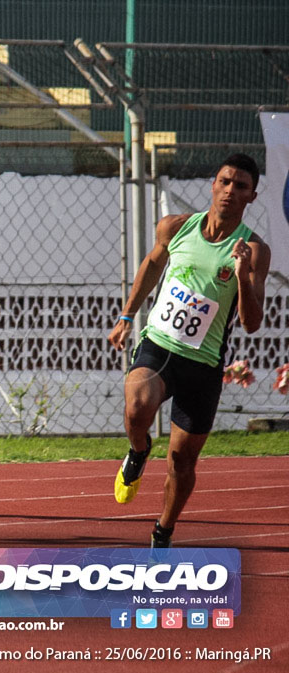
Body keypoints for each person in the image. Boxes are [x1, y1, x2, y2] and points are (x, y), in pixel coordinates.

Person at [107, 153, 270, 548]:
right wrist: (127, 317)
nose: (231, 191)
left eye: (241, 186)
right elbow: (150, 264)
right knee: (137, 407)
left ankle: (163, 530)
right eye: (225, 182)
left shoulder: (253, 249)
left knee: (182, 461)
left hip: (204, 364)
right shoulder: (175, 227)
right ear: (213, 184)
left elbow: (251, 323)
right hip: (160, 345)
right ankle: (139, 449)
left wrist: (244, 276)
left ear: (252, 196)